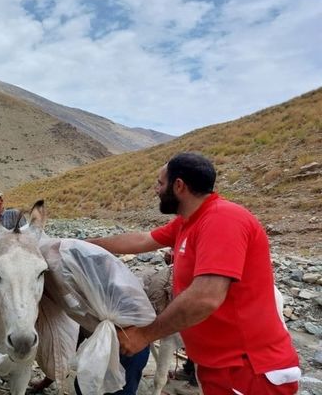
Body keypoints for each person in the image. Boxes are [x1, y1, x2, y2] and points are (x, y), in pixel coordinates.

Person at [88, 152, 300, 395]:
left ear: (179, 186)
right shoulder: (188, 221)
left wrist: (144, 335)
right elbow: (142, 239)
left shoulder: (222, 219)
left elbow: (205, 297)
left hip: (248, 371)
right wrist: (82, 244)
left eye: (160, 183)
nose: (156, 190)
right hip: (218, 366)